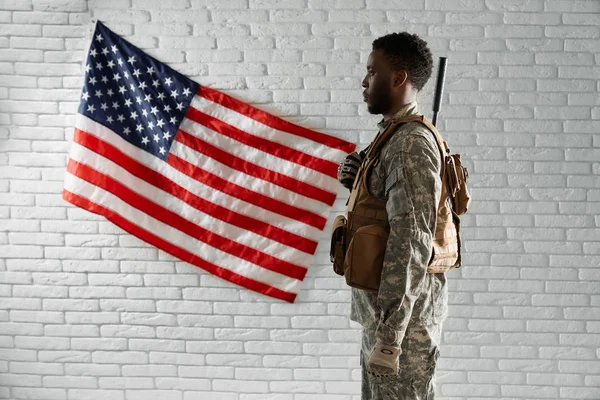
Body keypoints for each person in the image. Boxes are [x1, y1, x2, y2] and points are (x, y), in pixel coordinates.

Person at [337, 32, 448, 399]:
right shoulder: (391, 136)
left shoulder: (410, 143)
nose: (364, 81)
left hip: (402, 322)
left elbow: (411, 240)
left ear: (398, 78)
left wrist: (390, 336)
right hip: (385, 314)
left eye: (373, 72)